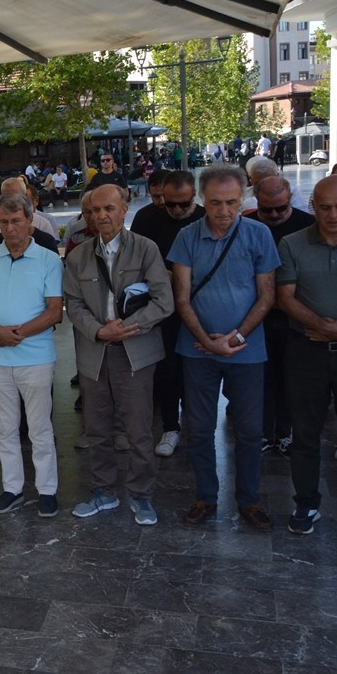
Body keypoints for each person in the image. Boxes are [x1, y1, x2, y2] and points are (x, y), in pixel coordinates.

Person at [169, 165, 279, 531]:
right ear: (202, 199)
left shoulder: (259, 235)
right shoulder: (186, 237)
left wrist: (235, 339)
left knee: (249, 430)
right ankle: (206, 497)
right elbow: (181, 298)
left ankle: (248, 500)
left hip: (246, 352)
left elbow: (267, 297)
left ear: (244, 197)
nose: (224, 211)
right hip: (197, 351)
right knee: (199, 430)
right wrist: (205, 340)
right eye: (215, 203)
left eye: (232, 202)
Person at [63, 185, 174, 526]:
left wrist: (127, 327)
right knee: (96, 429)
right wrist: (98, 331)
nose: (100, 216)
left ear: (124, 209)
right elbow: (73, 304)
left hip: (135, 353)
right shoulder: (78, 255)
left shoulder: (145, 250)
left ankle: (141, 496)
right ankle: (104, 492)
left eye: (108, 209)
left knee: (138, 429)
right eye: (94, 211)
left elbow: (163, 302)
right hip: (94, 354)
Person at [0, 195, 64, 517]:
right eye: (4, 223)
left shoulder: (49, 259)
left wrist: (16, 333)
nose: (10, 229)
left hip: (35, 358)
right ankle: (13, 488)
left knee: (39, 428)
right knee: (5, 428)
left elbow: (53, 312)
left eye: (16, 221)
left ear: (30, 221)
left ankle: (47, 489)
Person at [277, 174, 337, 536]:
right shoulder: (293, 243)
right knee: (305, 434)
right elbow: (285, 297)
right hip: (305, 352)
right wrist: (324, 326)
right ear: (313, 206)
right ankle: (306, 503)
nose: (333, 215)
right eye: (324, 207)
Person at [130, 170, 204, 458]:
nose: (175, 210)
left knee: (197, 370)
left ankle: (197, 426)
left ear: (193, 196)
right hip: (163, 308)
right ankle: (170, 426)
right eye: (168, 203)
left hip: (198, 307)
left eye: (182, 204)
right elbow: (136, 261)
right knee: (168, 369)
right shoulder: (148, 218)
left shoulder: (205, 219)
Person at [247, 176, 316, 454]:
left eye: (281, 208)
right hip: (257, 316)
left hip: (294, 317)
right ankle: (263, 431)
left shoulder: (306, 226)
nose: (274, 214)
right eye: (268, 210)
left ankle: (285, 430)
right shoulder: (248, 225)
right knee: (261, 377)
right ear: (257, 204)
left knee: (292, 377)